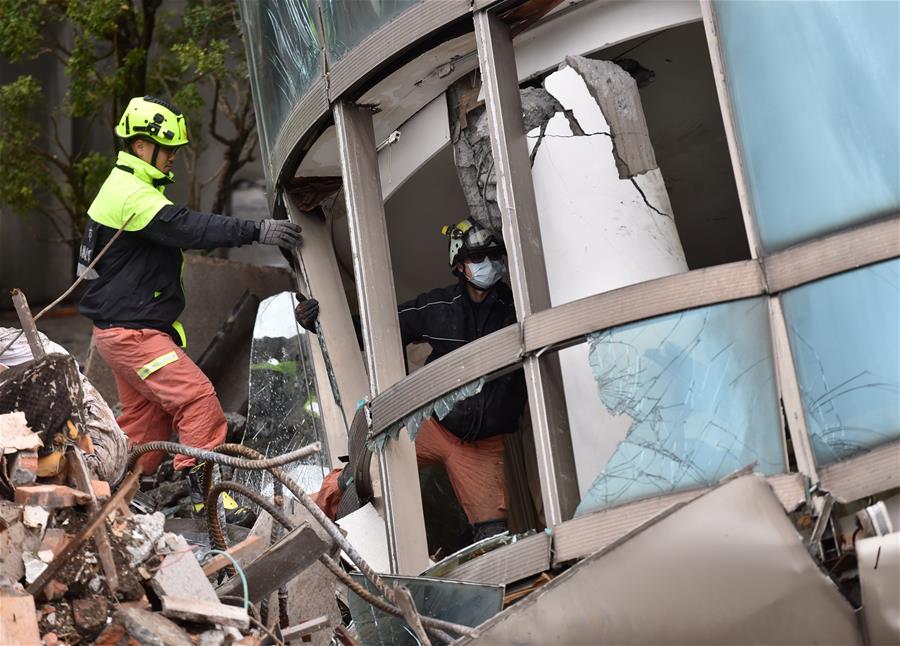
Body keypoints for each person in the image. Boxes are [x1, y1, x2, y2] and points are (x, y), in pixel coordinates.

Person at [78, 96, 303, 526]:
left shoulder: (122, 187)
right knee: (199, 402)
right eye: (169, 150)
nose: (174, 158)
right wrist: (258, 229)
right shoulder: (133, 196)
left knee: (147, 428)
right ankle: (209, 497)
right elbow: (190, 228)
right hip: (133, 334)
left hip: (121, 332)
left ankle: (111, 495)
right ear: (143, 146)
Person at [296, 218, 526, 541]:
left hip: (482, 445)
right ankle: (302, 522)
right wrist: (320, 322)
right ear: (459, 265)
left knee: (492, 533)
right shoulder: (440, 307)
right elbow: (380, 328)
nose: (487, 264)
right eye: (477, 258)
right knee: (361, 470)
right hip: (433, 424)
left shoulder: (516, 310)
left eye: (493, 257)